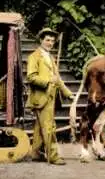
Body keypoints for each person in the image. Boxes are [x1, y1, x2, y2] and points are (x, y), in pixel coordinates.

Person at [26, 28, 74, 165]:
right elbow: (31, 77)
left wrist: (68, 94)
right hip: (41, 98)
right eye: (47, 40)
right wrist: (47, 82)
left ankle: (35, 153)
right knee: (49, 127)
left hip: (52, 97)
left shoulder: (51, 57)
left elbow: (57, 78)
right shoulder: (34, 56)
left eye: (52, 41)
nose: (50, 43)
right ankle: (53, 156)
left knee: (40, 127)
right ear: (41, 40)